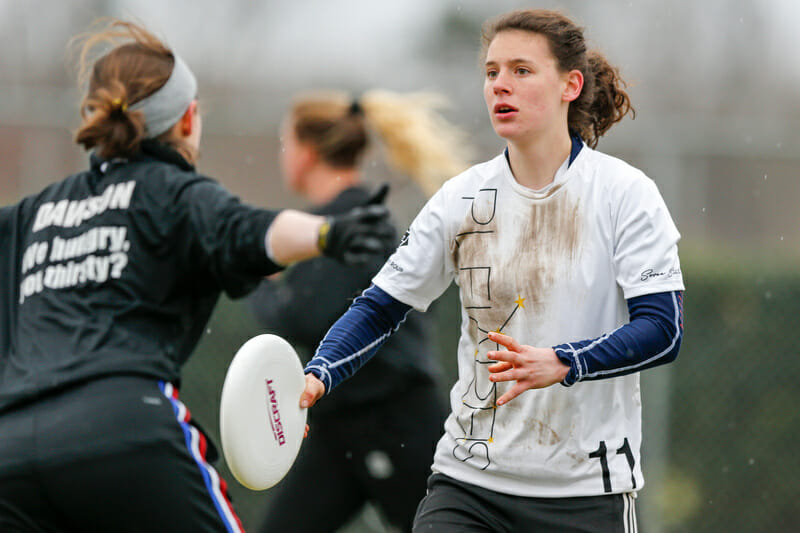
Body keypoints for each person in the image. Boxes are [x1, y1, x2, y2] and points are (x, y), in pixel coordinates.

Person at [0, 19, 395, 533]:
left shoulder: (32, 213)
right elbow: (257, 231)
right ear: (188, 119)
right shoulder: (173, 192)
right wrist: (329, 234)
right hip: (123, 431)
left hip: (9, 452)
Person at [299, 9, 685, 533]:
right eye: (491, 72)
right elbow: (379, 307)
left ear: (571, 84)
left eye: (522, 70)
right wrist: (321, 371)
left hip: (586, 493)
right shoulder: (459, 199)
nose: (501, 84)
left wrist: (564, 362)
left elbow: (663, 331)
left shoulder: (626, 195)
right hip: (469, 485)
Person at [249, 89, 468, 532]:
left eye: (285, 142)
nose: (283, 155)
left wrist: (264, 284)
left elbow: (307, 315)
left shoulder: (350, 222)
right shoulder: (336, 221)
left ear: (307, 152)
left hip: (397, 420)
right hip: (340, 424)